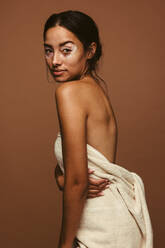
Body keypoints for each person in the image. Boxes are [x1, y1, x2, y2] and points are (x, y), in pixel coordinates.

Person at [43, 10, 153, 248]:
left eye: (66, 50)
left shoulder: (68, 93)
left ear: (90, 51)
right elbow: (79, 170)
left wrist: (63, 245)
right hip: (119, 220)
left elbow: (78, 182)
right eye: (49, 50)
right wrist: (61, 176)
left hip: (100, 226)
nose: (55, 61)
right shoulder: (94, 91)